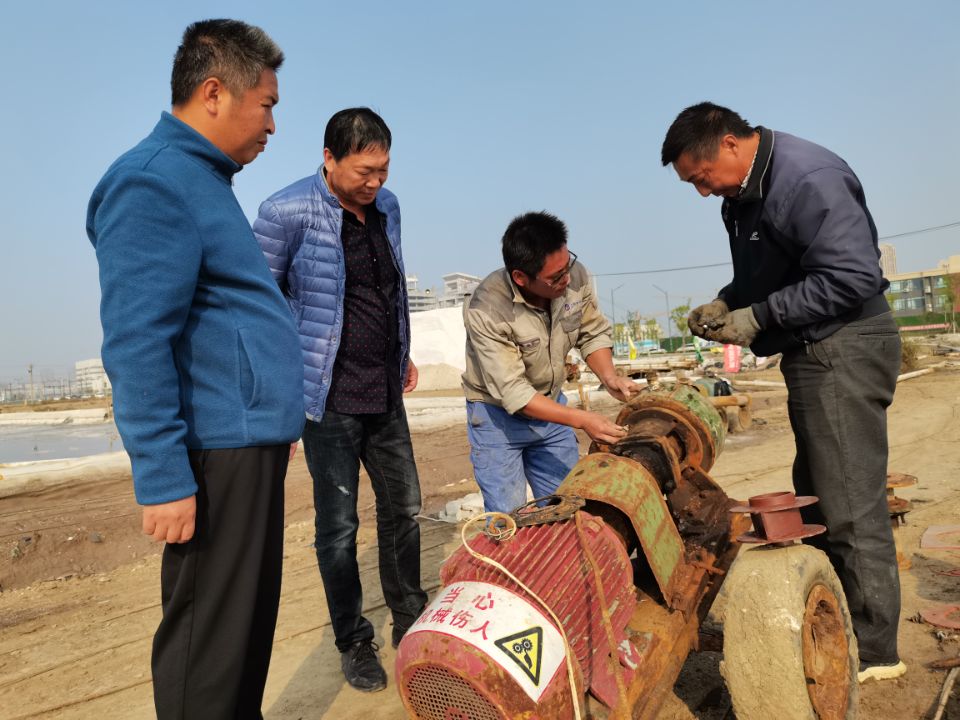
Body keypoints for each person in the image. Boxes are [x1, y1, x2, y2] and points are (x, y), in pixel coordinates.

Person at [86, 19, 304, 718]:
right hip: (214, 456)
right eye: (266, 104)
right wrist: (162, 477)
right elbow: (136, 341)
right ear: (214, 93)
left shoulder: (204, 180)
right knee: (208, 645)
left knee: (242, 635)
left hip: (244, 444)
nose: (272, 124)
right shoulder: (152, 183)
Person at [661, 101, 905, 683]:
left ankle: (875, 650)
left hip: (845, 344)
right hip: (814, 348)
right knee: (818, 493)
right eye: (692, 185)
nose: (703, 192)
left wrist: (759, 317)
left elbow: (852, 276)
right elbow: (771, 273)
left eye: (702, 177)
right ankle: (838, 615)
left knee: (849, 503)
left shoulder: (806, 178)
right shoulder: (744, 192)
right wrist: (729, 301)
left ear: (728, 144)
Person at [253, 108, 427, 693]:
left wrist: (402, 351)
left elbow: (388, 287)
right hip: (327, 399)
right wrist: (280, 393)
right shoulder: (284, 212)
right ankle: (353, 641)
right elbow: (259, 306)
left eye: (383, 169)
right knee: (338, 527)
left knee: (404, 507)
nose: (375, 182)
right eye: (364, 171)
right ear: (329, 159)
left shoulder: (388, 207)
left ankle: (410, 619)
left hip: (384, 390)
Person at [462, 211, 640, 513]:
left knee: (568, 507)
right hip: (497, 419)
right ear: (521, 278)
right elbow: (514, 392)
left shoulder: (575, 277)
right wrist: (583, 420)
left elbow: (591, 332)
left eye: (568, 265)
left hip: (551, 408)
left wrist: (609, 377)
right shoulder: (487, 309)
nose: (567, 278)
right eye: (556, 277)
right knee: (510, 519)